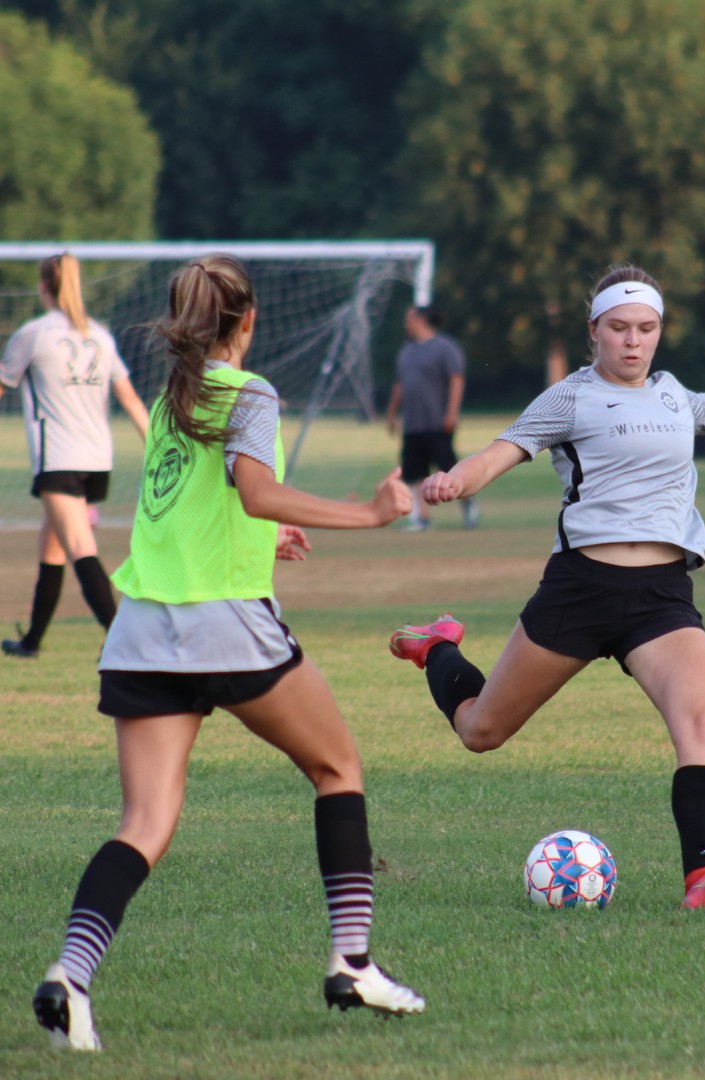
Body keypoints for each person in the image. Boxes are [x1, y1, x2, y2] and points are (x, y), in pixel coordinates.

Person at [32, 254, 424, 1052]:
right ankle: (353, 964)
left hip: (142, 634)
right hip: (224, 628)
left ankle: (70, 977)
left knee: (144, 823)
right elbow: (255, 490)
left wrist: (263, 538)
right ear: (248, 320)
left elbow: (193, 511)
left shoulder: (172, 399)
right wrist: (371, 512)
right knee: (337, 768)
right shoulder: (249, 392)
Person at [388, 264, 705, 910]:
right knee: (481, 731)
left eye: (647, 328)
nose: (634, 341)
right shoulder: (570, 397)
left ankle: (702, 874)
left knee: (699, 724)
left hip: (662, 596)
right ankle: (437, 647)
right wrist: (453, 481)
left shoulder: (672, 395)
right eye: (619, 328)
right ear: (594, 330)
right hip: (580, 590)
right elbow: (498, 453)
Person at [0, 253, 149, 658]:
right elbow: (131, 400)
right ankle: (31, 641)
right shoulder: (99, 335)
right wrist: (159, 447)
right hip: (97, 460)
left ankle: (122, 640)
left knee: (80, 546)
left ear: (42, 286)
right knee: (52, 546)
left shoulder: (34, 334)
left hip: (59, 460)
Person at [385, 305, 479, 531]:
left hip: (437, 423)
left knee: (450, 470)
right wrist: (391, 413)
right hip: (413, 424)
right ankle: (420, 518)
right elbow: (400, 384)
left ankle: (469, 507)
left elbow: (456, 379)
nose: (406, 324)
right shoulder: (406, 351)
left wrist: (452, 412)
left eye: (409, 319)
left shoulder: (444, 347)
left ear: (420, 320)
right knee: (413, 472)